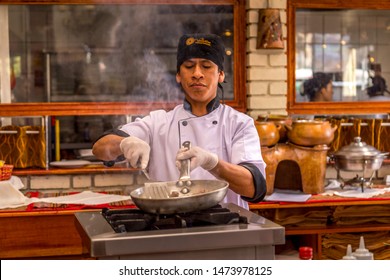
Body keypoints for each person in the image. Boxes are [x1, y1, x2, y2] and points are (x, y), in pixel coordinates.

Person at [92, 33, 267, 209]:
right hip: (168, 227)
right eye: (189, 66)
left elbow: (254, 188)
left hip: (226, 229)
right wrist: (125, 144)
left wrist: (211, 162)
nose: (197, 74)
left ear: (220, 74)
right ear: (178, 75)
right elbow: (100, 148)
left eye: (206, 66)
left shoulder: (238, 124)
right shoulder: (158, 122)